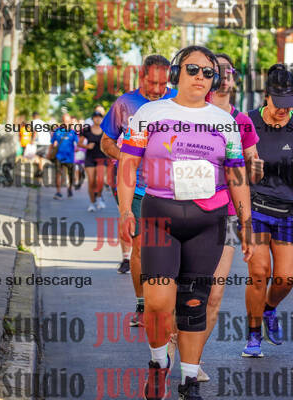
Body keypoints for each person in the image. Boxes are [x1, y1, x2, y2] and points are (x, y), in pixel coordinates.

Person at [118, 45, 253, 400]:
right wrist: (125, 210)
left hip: (208, 220)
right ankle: (158, 361)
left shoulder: (225, 122)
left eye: (208, 72)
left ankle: (189, 380)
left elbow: (236, 174)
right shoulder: (150, 113)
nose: (200, 77)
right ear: (177, 73)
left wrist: (246, 222)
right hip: (160, 215)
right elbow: (128, 164)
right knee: (158, 302)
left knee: (194, 302)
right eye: (193, 69)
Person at [241, 64, 293, 358]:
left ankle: (269, 309)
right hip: (256, 208)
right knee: (260, 272)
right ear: (266, 96)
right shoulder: (247, 122)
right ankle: (253, 335)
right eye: (279, 103)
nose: (284, 110)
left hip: (290, 211)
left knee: (286, 278)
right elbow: (233, 168)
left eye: (289, 103)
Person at [199, 53, 261, 382]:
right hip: (184, 209)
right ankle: (169, 343)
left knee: (214, 294)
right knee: (182, 290)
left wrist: (255, 166)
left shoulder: (242, 121)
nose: (223, 76)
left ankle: (192, 360)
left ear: (234, 78)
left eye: (228, 71)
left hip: (227, 211)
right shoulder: (189, 112)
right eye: (216, 71)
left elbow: (252, 168)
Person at [101, 55, 177, 310]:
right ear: (141, 77)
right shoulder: (125, 103)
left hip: (174, 189)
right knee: (142, 247)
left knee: (172, 249)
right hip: (137, 186)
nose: (158, 90)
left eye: (163, 84)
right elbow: (106, 143)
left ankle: (169, 302)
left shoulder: (178, 99)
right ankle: (143, 304)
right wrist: (129, 158)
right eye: (152, 83)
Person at [78, 112, 107, 211]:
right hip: (90, 158)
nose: (98, 119)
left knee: (100, 181)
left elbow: (112, 141)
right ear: (92, 119)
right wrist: (87, 146)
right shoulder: (87, 130)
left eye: (99, 117)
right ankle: (92, 203)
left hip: (102, 158)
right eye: (95, 117)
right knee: (91, 182)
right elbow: (79, 143)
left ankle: (99, 198)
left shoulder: (105, 130)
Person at [50, 113, 78, 199]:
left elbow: (77, 143)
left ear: (70, 122)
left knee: (71, 175)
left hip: (70, 157)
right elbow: (52, 143)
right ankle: (58, 192)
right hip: (59, 156)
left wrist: (77, 148)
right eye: (65, 121)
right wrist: (49, 153)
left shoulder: (73, 132)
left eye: (68, 121)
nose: (66, 123)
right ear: (62, 121)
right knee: (58, 174)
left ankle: (69, 188)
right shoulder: (57, 131)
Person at [32, 111, 50, 177]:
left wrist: (32, 140)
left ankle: (38, 170)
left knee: (36, 156)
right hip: (47, 141)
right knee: (41, 157)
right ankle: (41, 170)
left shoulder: (34, 122)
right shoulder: (43, 122)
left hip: (40, 141)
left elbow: (35, 132)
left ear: (33, 116)